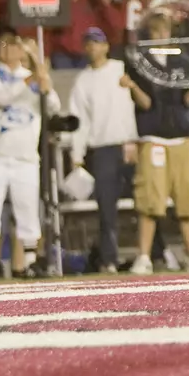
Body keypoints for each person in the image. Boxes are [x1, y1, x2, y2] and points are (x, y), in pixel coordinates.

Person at [123, 16, 189, 274]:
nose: (160, 34)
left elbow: (187, 100)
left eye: (164, 29)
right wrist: (131, 86)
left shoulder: (181, 62)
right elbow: (145, 104)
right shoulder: (140, 63)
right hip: (154, 137)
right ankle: (143, 257)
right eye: (155, 30)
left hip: (182, 137)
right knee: (150, 200)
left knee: (188, 198)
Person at [0, 32, 59, 281]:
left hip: (25, 156)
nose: (9, 48)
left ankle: (29, 260)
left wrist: (43, 80)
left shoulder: (32, 77)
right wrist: (31, 79)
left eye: (14, 44)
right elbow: (1, 97)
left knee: (28, 209)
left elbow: (53, 108)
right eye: (3, 44)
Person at [66, 28, 139, 272]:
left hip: (130, 143)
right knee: (107, 207)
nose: (93, 48)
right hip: (102, 148)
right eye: (88, 44)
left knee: (145, 201)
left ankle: (153, 253)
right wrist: (77, 156)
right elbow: (80, 121)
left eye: (97, 43)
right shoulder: (83, 81)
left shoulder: (122, 68)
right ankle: (109, 259)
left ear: (106, 46)